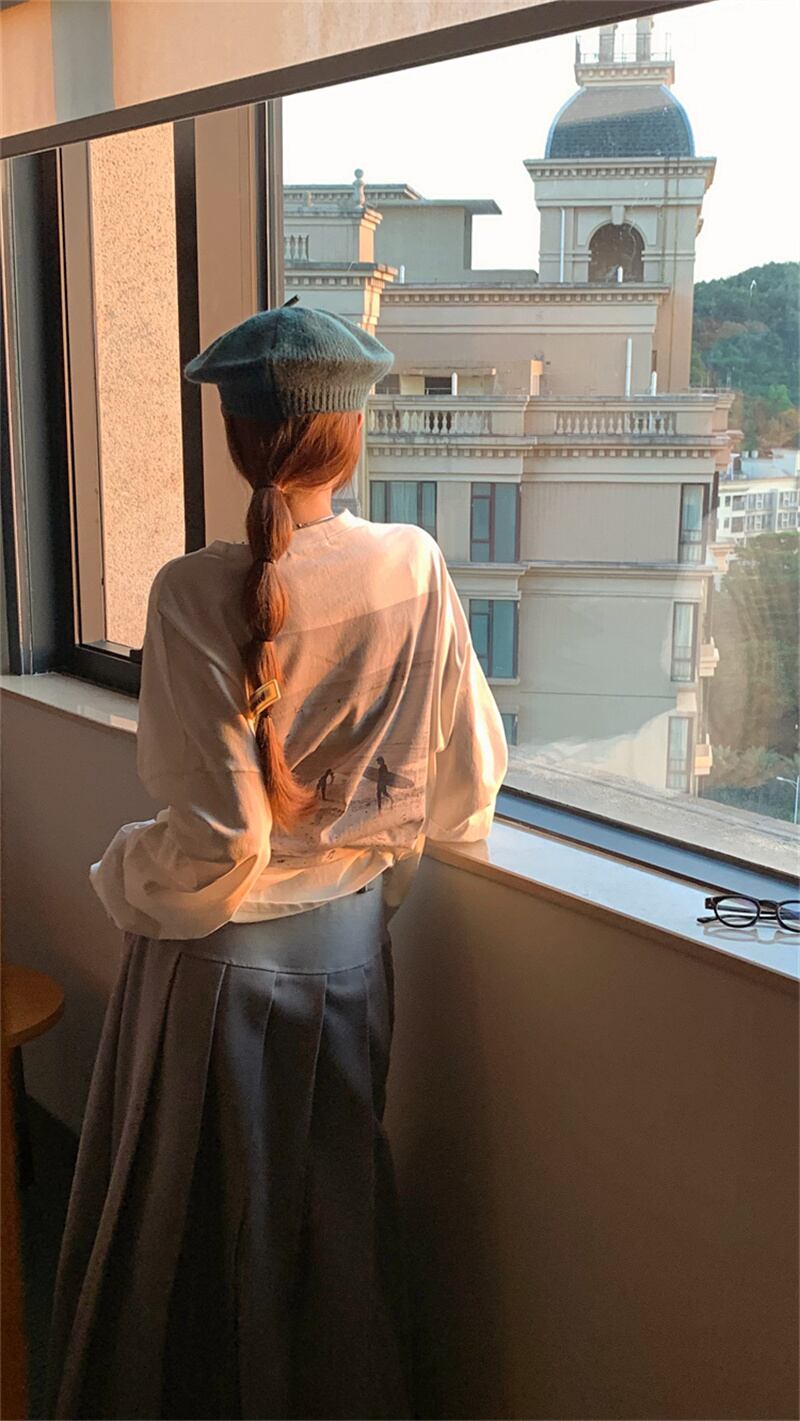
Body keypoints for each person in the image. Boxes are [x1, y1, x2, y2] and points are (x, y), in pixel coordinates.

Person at [44, 302, 508, 1420]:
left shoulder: (190, 589)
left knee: (195, 1228)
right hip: (352, 957)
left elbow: (224, 838)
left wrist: (123, 874)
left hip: (217, 969)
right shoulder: (413, 563)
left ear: (236, 436)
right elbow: (467, 776)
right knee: (331, 1212)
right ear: (350, 432)